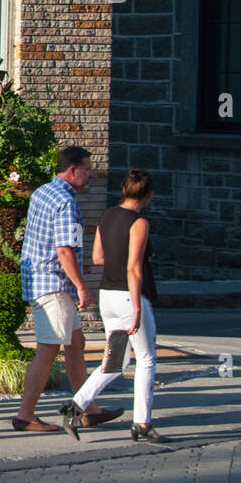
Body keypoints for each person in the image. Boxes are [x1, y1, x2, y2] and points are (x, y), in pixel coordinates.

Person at [14, 145, 123, 432]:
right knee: (48, 350)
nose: (90, 175)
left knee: (76, 345)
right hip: (54, 283)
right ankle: (25, 416)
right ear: (72, 170)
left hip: (40, 280)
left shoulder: (43, 192)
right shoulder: (65, 201)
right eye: (87, 169)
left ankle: (87, 408)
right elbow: (64, 251)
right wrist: (82, 287)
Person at [59, 169, 168, 442]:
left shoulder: (108, 215)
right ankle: (142, 423)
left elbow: (97, 257)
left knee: (117, 360)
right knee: (146, 358)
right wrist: (138, 309)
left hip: (107, 295)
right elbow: (134, 269)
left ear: (123, 190)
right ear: (149, 195)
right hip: (130, 296)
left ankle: (76, 405)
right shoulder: (139, 222)